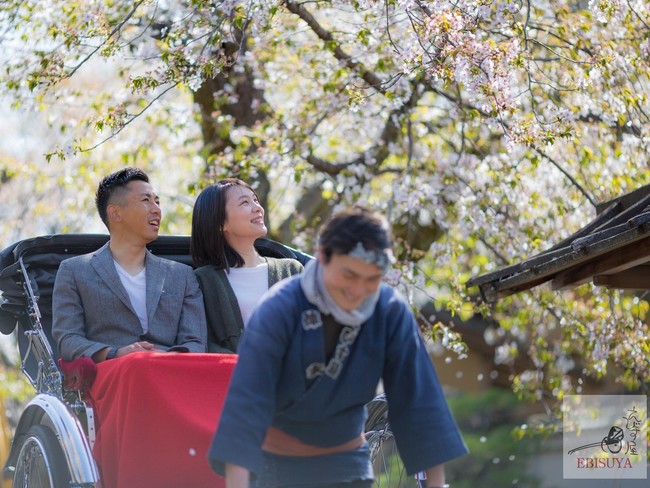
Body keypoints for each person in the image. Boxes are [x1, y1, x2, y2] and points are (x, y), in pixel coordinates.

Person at [208, 204, 467, 488]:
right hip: (275, 465)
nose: (358, 290)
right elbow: (246, 409)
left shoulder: (389, 310)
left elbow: (418, 403)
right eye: (349, 275)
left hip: (347, 462)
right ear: (322, 257)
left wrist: (435, 485)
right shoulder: (279, 309)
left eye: (371, 279)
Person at [52, 167, 207, 362]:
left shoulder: (182, 275)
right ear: (115, 213)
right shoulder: (74, 271)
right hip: (111, 379)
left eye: (157, 202)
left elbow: (196, 342)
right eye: (145, 200)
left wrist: (161, 358)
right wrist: (116, 353)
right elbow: (68, 340)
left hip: (171, 378)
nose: (157, 210)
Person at [190, 178, 304, 353]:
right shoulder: (202, 281)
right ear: (221, 223)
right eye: (244, 202)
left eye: (255, 200)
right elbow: (201, 342)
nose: (258, 208)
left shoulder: (292, 270)